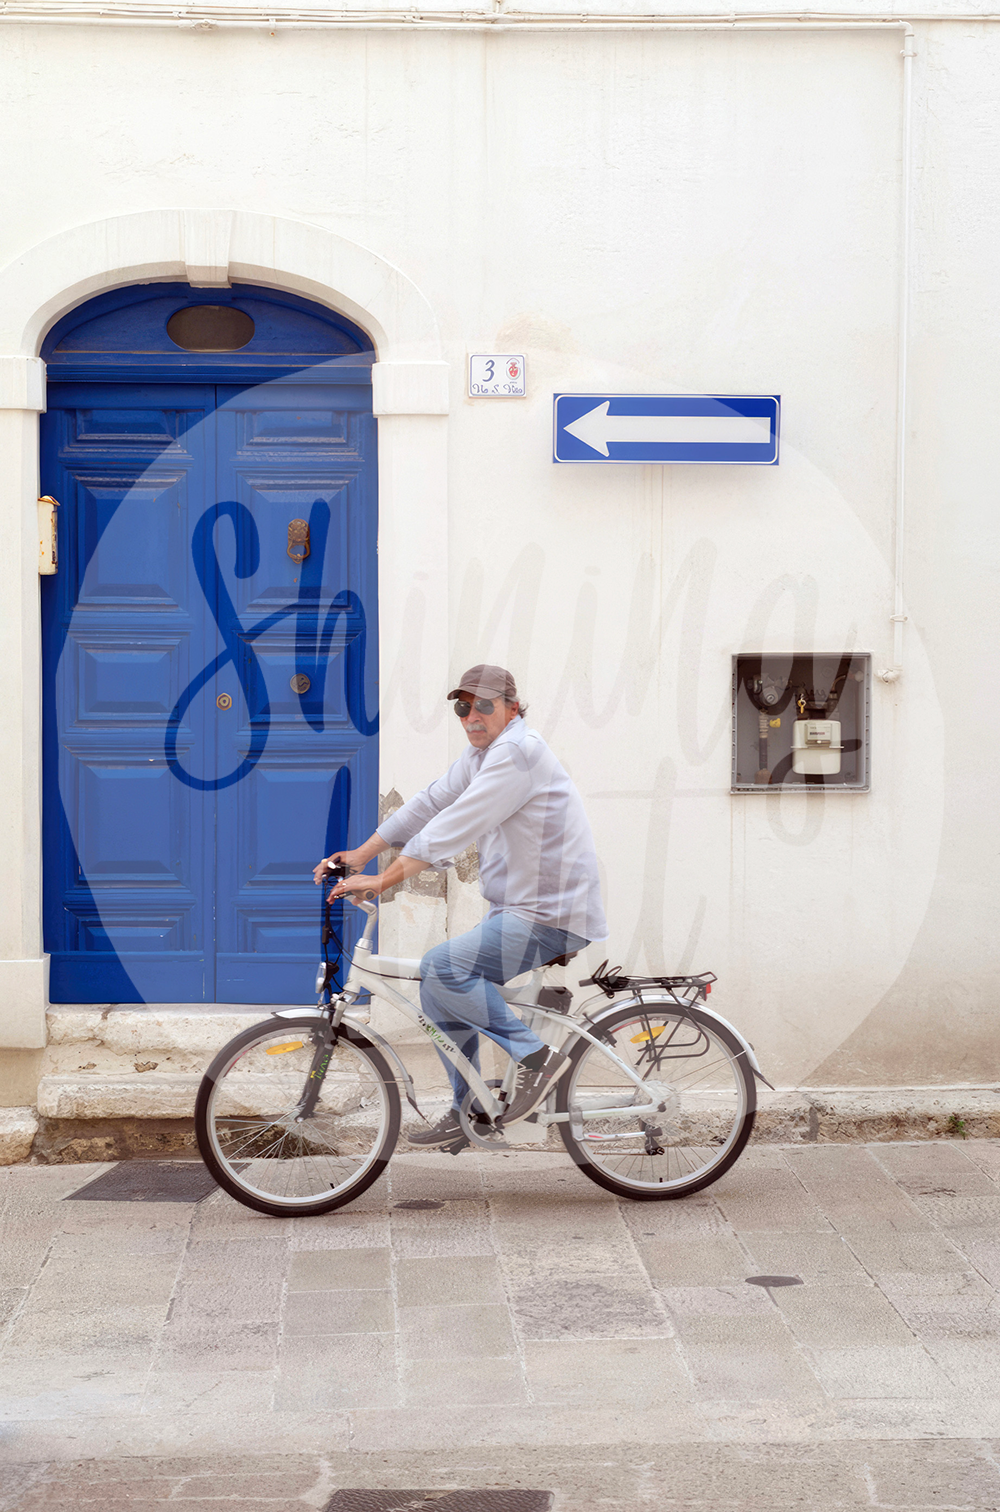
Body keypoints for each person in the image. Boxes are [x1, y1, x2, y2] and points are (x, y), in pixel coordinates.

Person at [313, 663, 607, 1144]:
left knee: (444, 968)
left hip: (552, 913)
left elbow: (453, 827)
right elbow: (429, 803)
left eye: (484, 705)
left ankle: (538, 1059)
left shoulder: (516, 753)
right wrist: (360, 854)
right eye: (462, 706)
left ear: (512, 707)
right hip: (519, 910)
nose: (472, 715)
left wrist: (382, 880)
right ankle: (469, 1111)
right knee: (438, 988)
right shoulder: (483, 756)